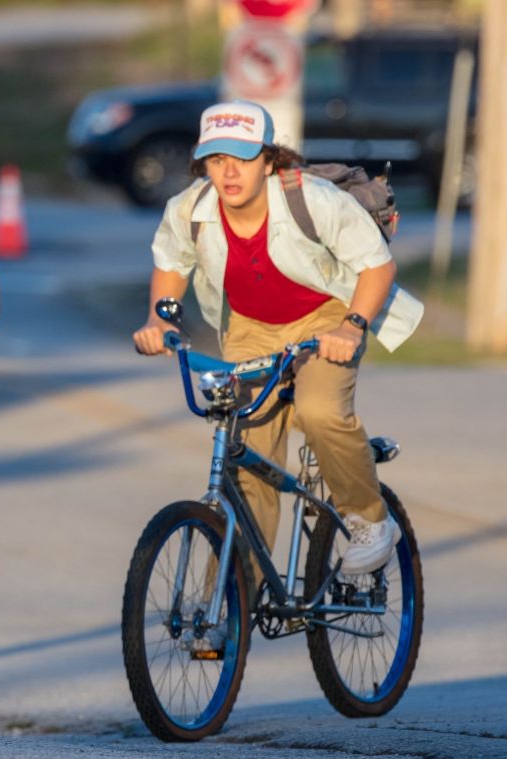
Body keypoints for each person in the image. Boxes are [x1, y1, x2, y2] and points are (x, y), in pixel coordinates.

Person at [132, 100, 422, 575]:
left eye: (243, 159)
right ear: (203, 163)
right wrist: (159, 320)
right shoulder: (190, 209)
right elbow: (169, 264)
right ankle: (228, 611)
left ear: (268, 159)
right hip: (249, 327)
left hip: (326, 316)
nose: (229, 173)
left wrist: (350, 328)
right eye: (217, 160)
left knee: (319, 410)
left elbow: (377, 265)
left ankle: (371, 520)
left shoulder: (312, 199)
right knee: (245, 460)